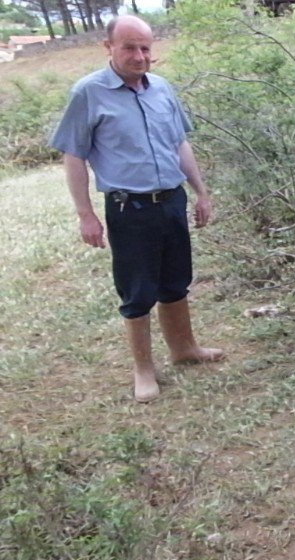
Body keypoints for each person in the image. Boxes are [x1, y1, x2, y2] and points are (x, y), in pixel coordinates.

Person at [49, 15, 224, 403]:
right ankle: (143, 369)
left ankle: (184, 349)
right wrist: (85, 214)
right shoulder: (88, 93)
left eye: (145, 47)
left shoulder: (162, 89)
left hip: (171, 201)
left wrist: (201, 192)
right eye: (129, 47)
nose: (139, 55)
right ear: (108, 47)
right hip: (130, 208)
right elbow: (73, 156)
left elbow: (180, 144)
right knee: (138, 290)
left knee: (176, 281)